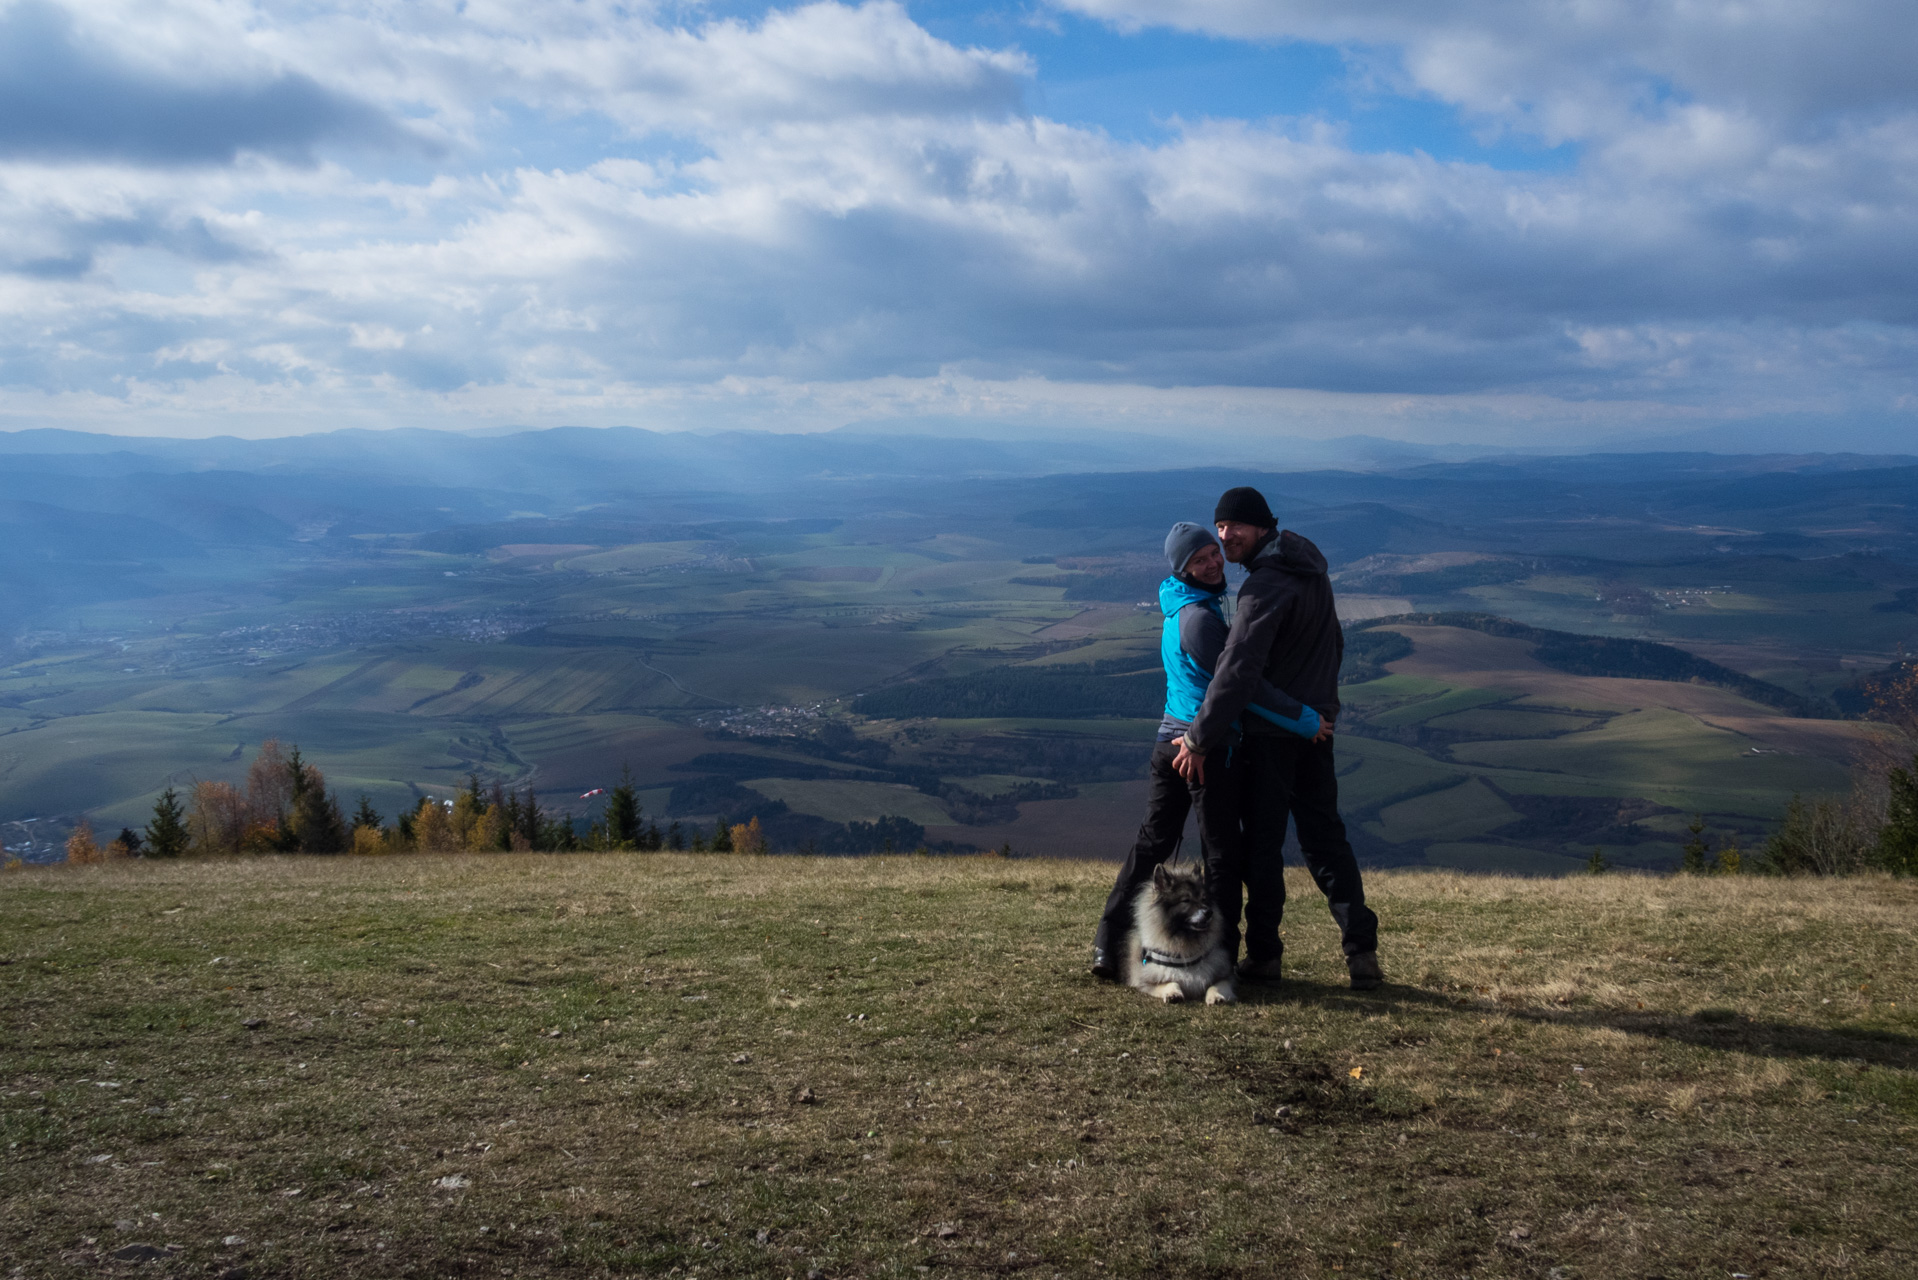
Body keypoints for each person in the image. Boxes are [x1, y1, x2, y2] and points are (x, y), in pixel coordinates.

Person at [1091, 522, 1326, 981]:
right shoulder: (1200, 620)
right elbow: (1241, 686)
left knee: (1153, 842)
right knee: (1222, 853)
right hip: (1203, 748)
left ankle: (1109, 940)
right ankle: (1221, 956)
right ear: (1184, 569)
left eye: (1213, 553)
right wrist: (1305, 719)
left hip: (1169, 741)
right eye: (1199, 560)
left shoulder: (1182, 605)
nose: (1214, 562)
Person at [1174, 487, 1383, 991]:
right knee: (1326, 839)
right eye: (1220, 528)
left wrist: (1199, 738)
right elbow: (1334, 641)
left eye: (1235, 527)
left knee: (1263, 847)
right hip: (1315, 729)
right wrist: (1320, 710)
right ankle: (1362, 952)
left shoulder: (1263, 587)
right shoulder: (1311, 571)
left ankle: (1265, 956)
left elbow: (1238, 671)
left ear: (1262, 525)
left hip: (1273, 734)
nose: (1225, 537)